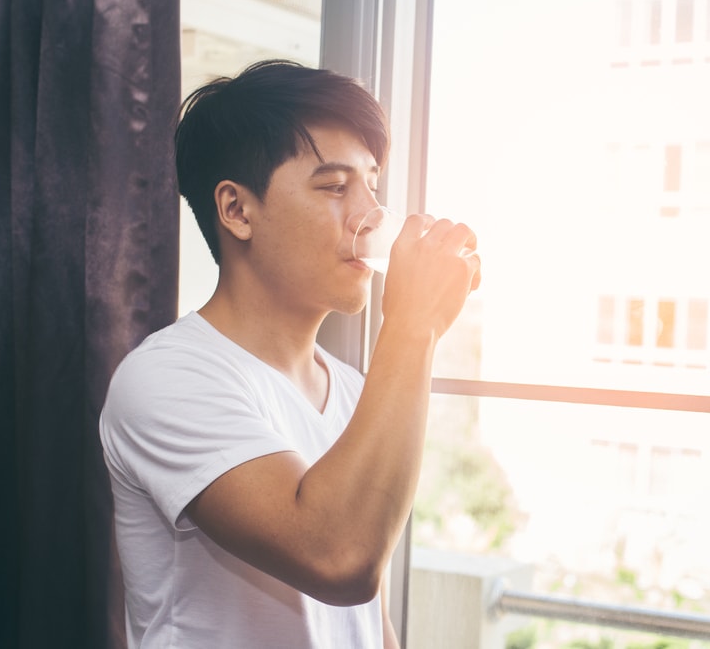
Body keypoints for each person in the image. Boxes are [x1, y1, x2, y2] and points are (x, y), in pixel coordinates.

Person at [99, 59, 481, 648]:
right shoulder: (165, 377)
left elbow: (369, 623)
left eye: (372, 186)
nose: (372, 215)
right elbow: (340, 557)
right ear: (237, 210)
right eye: (334, 186)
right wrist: (413, 325)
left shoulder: (357, 391)